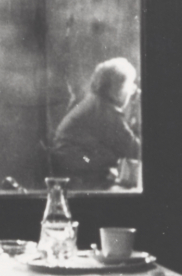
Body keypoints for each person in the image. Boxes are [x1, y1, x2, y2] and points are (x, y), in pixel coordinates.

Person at [51, 57, 141, 189]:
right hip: (80, 164)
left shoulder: (96, 103)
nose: (133, 90)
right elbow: (133, 149)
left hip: (74, 163)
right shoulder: (105, 109)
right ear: (116, 89)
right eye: (131, 85)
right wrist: (139, 110)